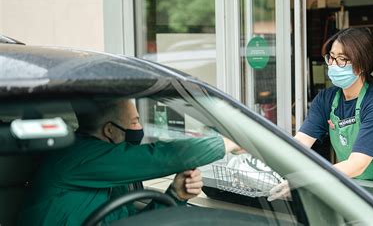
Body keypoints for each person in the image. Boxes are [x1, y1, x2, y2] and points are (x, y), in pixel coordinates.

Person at [19, 99, 241, 225]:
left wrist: (175, 195)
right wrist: (232, 141)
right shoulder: (77, 157)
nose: (139, 128)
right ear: (110, 131)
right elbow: (162, 156)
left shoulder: (114, 176)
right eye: (135, 122)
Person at [269, 28, 373, 201]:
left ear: (361, 65)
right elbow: (300, 144)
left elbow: (357, 165)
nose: (333, 64)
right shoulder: (327, 99)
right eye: (331, 57)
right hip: (355, 188)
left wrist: (306, 181)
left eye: (342, 59)